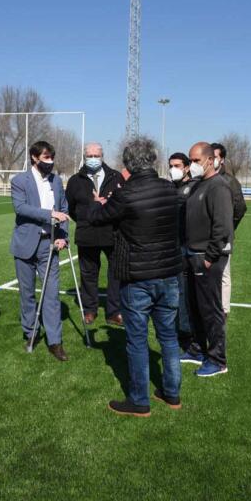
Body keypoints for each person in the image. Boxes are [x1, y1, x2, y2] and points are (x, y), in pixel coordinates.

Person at [89, 137, 182, 416]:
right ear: (152, 160)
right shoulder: (170, 189)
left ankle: (139, 400)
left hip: (138, 276)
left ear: (128, 164)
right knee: (168, 337)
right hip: (169, 275)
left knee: (137, 340)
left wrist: (98, 202)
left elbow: (98, 218)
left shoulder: (126, 193)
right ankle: (172, 393)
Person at [10, 140, 70, 361]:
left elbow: (64, 208)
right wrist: (49, 214)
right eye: (46, 157)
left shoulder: (57, 181)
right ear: (34, 158)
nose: (50, 162)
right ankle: (31, 332)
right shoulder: (19, 181)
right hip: (25, 244)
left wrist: (63, 235)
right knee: (27, 294)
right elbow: (21, 208)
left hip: (49, 244)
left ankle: (55, 341)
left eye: (52, 157)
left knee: (51, 294)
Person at [180, 142, 234, 377]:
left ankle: (217, 360)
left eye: (196, 161)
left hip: (206, 257)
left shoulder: (218, 187)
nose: (192, 165)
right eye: (190, 161)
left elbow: (222, 227)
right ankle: (197, 349)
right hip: (192, 254)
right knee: (194, 307)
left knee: (211, 311)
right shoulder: (198, 186)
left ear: (211, 160)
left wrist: (210, 257)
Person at [64, 142, 124, 327]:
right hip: (87, 234)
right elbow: (71, 209)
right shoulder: (75, 180)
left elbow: (124, 203)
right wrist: (93, 208)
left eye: (95, 155)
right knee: (88, 273)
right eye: (89, 155)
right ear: (84, 157)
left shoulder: (116, 176)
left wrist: (107, 208)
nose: (92, 159)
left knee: (116, 273)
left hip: (112, 233)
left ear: (102, 156)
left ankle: (114, 312)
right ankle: (90, 310)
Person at [211, 142, 247, 314]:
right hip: (205, 237)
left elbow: (240, 208)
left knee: (224, 273)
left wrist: (229, 227)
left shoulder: (231, 181)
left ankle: (224, 309)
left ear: (222, 159)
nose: (212, 160)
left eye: (215, 157)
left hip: (223, 237)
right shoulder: (204, 178)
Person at [168, 152, 193, 350]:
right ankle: (178, 332)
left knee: (185, 293)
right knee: (173, 293)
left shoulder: (193, 188)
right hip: (171, 248)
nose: (173, 169)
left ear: (186, 167)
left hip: (187, 248)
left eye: (177, 165)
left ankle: (187, 334)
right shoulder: (169, 188)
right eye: (171, 165)